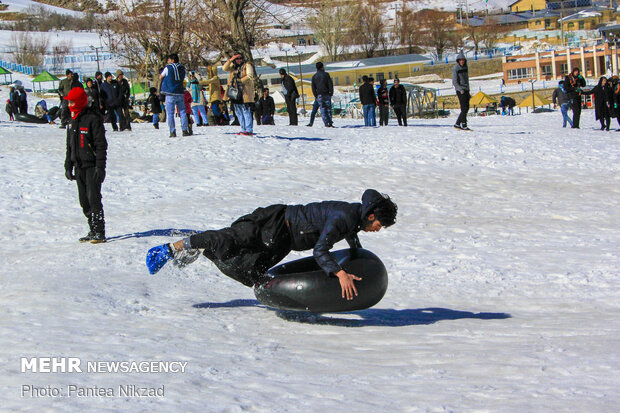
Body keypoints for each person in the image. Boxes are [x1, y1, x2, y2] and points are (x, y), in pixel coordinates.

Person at [145, 189, 397, 299]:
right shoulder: (344, 217)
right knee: (228, 241)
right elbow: (320, 250)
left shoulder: (354, 220)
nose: (378, 229)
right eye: (380, 225)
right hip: (275, 223)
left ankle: (202, 250)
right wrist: (340, 273)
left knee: (250, 274)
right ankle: (172, 248)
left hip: (284, 241)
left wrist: (360, 263)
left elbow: (353, 246)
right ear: (371, 216)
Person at [63, 87, 108, 243]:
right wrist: (68, 165)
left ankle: (99, 232)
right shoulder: (72, 120)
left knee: (93, 198)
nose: (69, 105)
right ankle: (92, 229)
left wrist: (100, 168)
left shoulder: (93, 119)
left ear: (80, 102)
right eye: (68, 102)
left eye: (72, 102)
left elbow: (101, 145)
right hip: (79, 166)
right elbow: (69, 146)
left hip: (92, 166)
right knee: (84, 201)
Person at [223, 52, 256, 135]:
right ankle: (243, 128)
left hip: (244, 91)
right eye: (237, 59)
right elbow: (224, 68)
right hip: (235, 91)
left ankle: (248, 129)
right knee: (238, 111)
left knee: (245, 110)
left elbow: (250, 75)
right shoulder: (233, 67)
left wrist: (240, 81)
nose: (239, 60)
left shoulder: (247, 65)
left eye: (240, 58)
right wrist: (231, 59)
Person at [160, 53, 190, 137]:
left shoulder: (168, 68)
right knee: (182, 112)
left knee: (170, 113)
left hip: (170, 93)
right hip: (180, 92)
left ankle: (172, 131)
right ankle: (184, 130)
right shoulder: (182, 68)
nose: (168, 61)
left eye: (169, 60)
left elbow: (161, 76)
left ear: (172, 60)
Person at [310, 62, 334, 127]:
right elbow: (330, 84)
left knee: (322, 109)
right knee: (328, 109)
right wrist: (331, 92)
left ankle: (326, 123)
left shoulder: (314, 76)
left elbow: (313, 87)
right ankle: (330, 122)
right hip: (326, 94)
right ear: (322, 67)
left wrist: (316, 95)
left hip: (319, 95)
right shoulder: (326, 75)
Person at [452, 51, 471, 130]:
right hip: (460, 90)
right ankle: (464, 123)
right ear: (458, 61)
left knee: (467, 107)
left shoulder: (465, 68)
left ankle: (457, 123)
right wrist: (460, 89)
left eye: (463, 60)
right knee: (463, 107)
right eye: (460, 60)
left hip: (466, 89)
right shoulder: (455, 68)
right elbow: (454, 81)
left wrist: (468, 90)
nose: (462, 61)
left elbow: (467, 79)